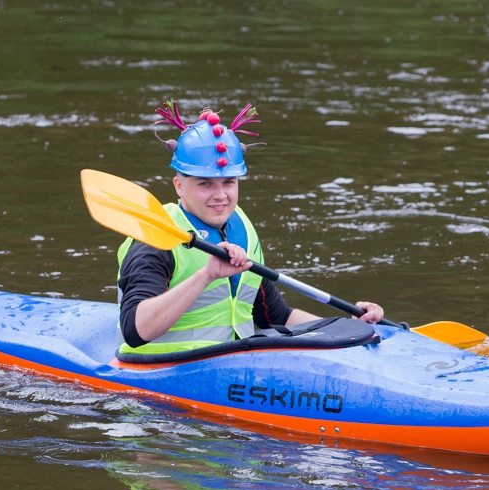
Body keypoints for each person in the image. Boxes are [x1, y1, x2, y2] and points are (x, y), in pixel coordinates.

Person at [116, 100, 384, 355]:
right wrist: (206, 275)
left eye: (229, 182)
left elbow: (275, 317)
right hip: (161, 374)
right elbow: (136, 331)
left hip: (232, 364)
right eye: (205, 184)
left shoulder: (241, 228)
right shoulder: (156, 236)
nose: (220, 195)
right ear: (179, 186)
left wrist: (347, 329)